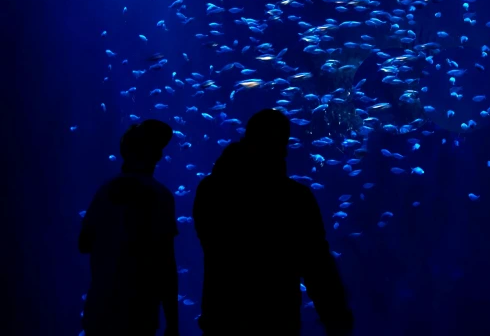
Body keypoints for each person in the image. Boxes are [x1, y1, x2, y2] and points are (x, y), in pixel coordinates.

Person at [193, 108, 354, 336]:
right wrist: (337, 319)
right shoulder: (294, 197)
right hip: (277, 320)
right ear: (283, 145)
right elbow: (317, 265)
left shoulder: (210, 190)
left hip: (221, 316)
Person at [78, 120, 179, 336]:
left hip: (99, 308)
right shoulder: (160, 196)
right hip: (137, 311)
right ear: (157, 155)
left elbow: (83, 243)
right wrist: (173, 321)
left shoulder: (103, 192)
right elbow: (166, 262)